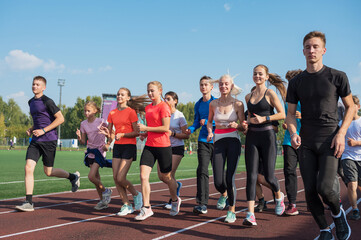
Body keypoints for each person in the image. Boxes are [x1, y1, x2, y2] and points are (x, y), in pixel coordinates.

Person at [286, 31, 353, 240]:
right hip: (306, 141)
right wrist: (293, 132)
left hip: (330, 140)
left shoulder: (337, 76)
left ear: (323, 50)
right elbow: (289, 115)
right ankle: (325, 229)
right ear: (303, 51)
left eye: (315, 46)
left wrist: (341, 133)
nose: (311, 50)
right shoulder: (296, 82)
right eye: (308, 47)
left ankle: (337, 214)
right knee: (310, 191)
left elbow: (351, 107)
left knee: (325, 187)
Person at [15, 76, 80, 212]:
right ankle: (28, 202)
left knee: (48, 172)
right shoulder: (30, 102)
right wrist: (32, 128)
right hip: (36, 141)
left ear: (43, 87)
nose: (35, 86)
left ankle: (73, 177)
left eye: (38, 85)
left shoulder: (48, 101)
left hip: (49, 140)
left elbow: (60, 118)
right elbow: (40, 119)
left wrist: (44, 130)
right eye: (33, 84)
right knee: (28, 167)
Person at [243, 65, 286, 226]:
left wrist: (265, 119)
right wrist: (245, 124)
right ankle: (250, 214)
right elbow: (248, 116)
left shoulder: (270, 93)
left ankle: (278, 196)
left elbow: (282, 114)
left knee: (268, 176)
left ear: (267, 77)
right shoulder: (248, 96)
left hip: (267, 136)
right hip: (252, 136)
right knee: (251, 176)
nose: (257, 76)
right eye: (255, 73)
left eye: (260, 74)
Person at [135, 81, 181, 220]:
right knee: (143, 176)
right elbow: (152, 127)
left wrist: (146, 129)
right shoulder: (148, 108)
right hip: (149, 146)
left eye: (152, 91)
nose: (150, 93)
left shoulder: (164, 107)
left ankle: (175, 199)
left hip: (163, 146)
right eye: (148, 91)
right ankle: (147, 208)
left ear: (160, 91)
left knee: (166, 177)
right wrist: (145, 134)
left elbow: (165, 128)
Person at [206, 74, 245, 223]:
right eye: (221, 84)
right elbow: (209, 122)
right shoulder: (213, 104)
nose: (223, 86)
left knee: (230, 177)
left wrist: (238, 125)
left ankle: (231, 210)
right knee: (217, 180)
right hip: (218, 140)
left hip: (233, 140)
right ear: (218, 86)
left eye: (226, 84)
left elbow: (243, 126)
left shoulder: (238, 104)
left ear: (231, 85)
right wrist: (210, 131)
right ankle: (224, 194)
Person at [101, 88, 144, 216]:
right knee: (115, 178)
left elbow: (137, 132)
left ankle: (136, 194)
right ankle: (126, 205)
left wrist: (123, 134)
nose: (119, 96)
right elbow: (111, 133)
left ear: (128, 98)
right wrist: (107, 134)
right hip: (117, 147)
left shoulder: (131, 112)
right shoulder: (112, 112)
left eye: (122, 94)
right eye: (118, 94)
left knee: (121, 177)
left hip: (129, 146)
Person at [186, 76, 216, 214]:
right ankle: (202, 203)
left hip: (217, 141)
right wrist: (191, 129)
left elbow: (222, 120)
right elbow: (197, 121)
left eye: (206, 84)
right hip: (203, 141)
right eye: (201, 85)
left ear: (211, 87)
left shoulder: (216, 102)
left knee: (219, 175)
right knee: (202, 170)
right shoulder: (198, 104)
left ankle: (225, 194)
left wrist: (211, 123)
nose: (203, 87)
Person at [76, 101, 112, 210]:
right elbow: (83, 141)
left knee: (91, 176)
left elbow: (111, 134)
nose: (86, 113)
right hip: (90, 151)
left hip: (100, 151)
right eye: (85, 111)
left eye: (89, 111)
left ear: (95, 111)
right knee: (96, 178)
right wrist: (78, 137)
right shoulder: (83, 124)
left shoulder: (101, 121)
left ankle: (106, 190)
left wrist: (108, 143)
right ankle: (103, 201)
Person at [162, 91, 189, 209]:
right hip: (164, 147)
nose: (165, 101)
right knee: (162, 177)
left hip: (177, 147)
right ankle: (176, 185)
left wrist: (172, 133)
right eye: (165, 99)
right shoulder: (163, 114)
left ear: (175, 101)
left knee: (169, 174)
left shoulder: (179, 115)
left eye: (168, 99)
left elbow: (186, 135)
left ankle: (173, 199)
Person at [282, 69, 303, 216]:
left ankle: (316, 199)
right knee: (289, 171)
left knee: (311, 173)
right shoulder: (288, 101)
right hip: (289, 140)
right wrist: (286, 124)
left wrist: (303, 116)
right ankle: (292, 203)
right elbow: (286, 119)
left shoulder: (309, 98)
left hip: (307, 140)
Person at [340, 95, 361, 221]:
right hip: (347, 157)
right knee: (352, 185)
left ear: (358, 107)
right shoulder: (341, 123)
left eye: (352, 105)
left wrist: (356, 143)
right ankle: (355, 210)